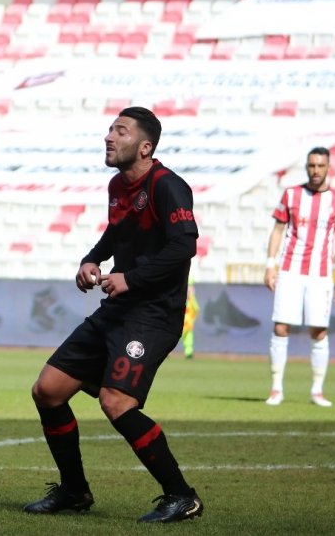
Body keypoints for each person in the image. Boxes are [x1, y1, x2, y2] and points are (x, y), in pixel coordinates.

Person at [23, 107, 203, 524]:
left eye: (120, 131)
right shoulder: (118, 186)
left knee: (116, 401)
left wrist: (131, 278)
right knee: (47, 390)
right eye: (109, 128)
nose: (109, 136)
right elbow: (117, 233)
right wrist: (92, 259)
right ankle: (74, 490)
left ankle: (182, 496)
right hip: (118, 310)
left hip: (153, 315)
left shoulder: (168, 186)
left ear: (145, 146)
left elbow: (184, 247)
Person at [263, 146, 335, 408]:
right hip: (290, 270)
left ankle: (317, 390)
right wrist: (270, 265)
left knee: (319, 330)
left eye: (320, 166)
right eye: (311, 165)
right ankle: (276, 389)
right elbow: (277, 231)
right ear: (307, 167)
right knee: (281, 327)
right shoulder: (291, 195)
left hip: (320, 275)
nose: (316, 170)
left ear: (328, 167)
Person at [181, 279, 199, 359]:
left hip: (188, 323)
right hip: (179, 323)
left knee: (188, 338)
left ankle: (189, 352)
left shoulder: (191, 299)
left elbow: (196, 309)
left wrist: (192, 319)